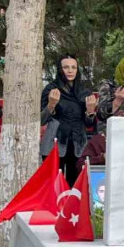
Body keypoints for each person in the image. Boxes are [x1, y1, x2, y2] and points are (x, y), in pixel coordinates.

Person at [41, 55, 98, 186]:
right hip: (54, 141)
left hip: (78, 141)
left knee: (76, 183)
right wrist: (51, 105)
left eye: (73, 67)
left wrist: (90, 111)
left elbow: (89, 124)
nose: (70, 70)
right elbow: (42, 121)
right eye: (66, 67)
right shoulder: (51, 89)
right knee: (53, 182)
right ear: (60, 69)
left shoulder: (84, 90)